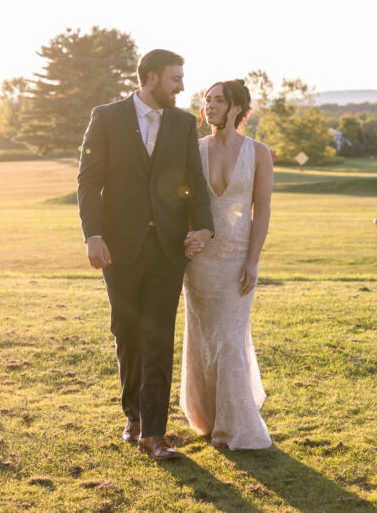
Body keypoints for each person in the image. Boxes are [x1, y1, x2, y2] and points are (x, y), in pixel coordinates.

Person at [77, 49, 215, 461]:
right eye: (176, 78)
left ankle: (154, 433)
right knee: (127, 334)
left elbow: (193, 181)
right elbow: (88, 181)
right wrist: (93, 235)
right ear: (151, 78)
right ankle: (133, 416)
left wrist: (204, 226)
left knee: (158, 336)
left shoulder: (184, 123)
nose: (182, 87)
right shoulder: (106, 117)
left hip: (168, 251)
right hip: (118, 248)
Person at [180, 79, 274, 450]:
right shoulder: (194, 150)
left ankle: (237, 427)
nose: (209, 105)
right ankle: (207, 419)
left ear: (237, 108)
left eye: (217, 100)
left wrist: (253, 259)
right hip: (199, 262)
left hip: (237, 259)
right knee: (203, 339)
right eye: (207, 99)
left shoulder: (258, 153)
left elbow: (262, 209)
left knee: (230, 341)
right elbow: (183, 200)